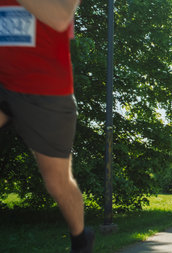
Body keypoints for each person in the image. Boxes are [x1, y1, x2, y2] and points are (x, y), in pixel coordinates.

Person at [0, 1, 95, 252]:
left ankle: (80, 238)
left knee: (57, 181)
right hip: (3, 79)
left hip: (45, 89)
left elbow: (61, 16)